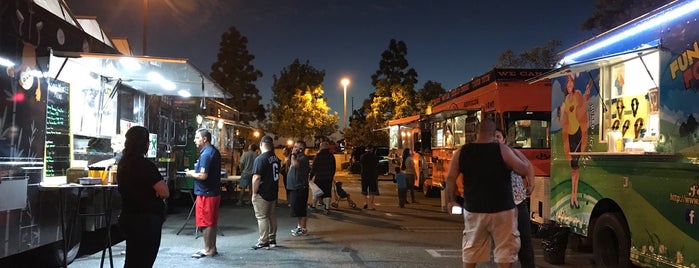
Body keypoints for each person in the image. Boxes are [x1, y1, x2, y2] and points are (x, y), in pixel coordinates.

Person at [446, 119, 531, 268]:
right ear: (494, 134)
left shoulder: (462, 152)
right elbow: (523, 169)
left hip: (474, 208)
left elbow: (450, 178)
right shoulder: (503, 150)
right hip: (502, 209)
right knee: (505, 250)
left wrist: (452, 200)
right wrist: (514, 153)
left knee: (471, 247)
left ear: (478, 132)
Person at [117, 126, 170, 267]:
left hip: (129, 217)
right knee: (144, 261)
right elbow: (164, 192)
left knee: (132, 260)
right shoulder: (145, 166)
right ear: (144, 144)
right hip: (147, 222)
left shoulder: (123, 164)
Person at [495, 128, 535, 268]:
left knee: (525, 240)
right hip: (498, 207)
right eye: (492, 137)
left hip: (518, 202)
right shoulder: (483, 156)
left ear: (504, 139)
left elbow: (528, 166)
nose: (495, 139)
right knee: (503, 243)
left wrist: (531, 184)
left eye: (498, 136)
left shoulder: (512, 152)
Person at [186, 128, 222, 258]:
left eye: (197, 138)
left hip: (206, 193)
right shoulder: (213, 151)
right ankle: (212, 247)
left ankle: (208, 249)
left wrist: (191, 173)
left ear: (204, 139)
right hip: (212, 192)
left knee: (206, 222)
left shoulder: (206, 154)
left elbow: (203, 175)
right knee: (211, 221)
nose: (195, 140)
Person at [559, 74, 591, 209]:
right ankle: (573, 197)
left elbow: (584, 101)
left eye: (571, 82)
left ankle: (574, 196)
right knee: (573, 167)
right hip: (570, 135)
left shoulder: (577, 94)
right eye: (568, 83)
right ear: (566, 86)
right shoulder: (565, 100)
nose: (570, 84)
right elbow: (561, 121)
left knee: (575, 165)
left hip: (577, 132)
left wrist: (588, 91)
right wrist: (560, 112)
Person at [251, 136, 281, 249]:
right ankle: (272, 238)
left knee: (262, 217)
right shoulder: (275, 158)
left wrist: (254, 193)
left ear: (261, 144)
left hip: (263, 192)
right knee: (272, 216)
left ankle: (263, 241)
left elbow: (256, 177)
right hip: (273, 191)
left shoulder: (260, 159)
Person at [287, 140, 311, 236]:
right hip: (295, 187)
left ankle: (303, 229)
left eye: (296, 147)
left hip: (300, 187)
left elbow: (295, 165)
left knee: (301, 209)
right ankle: (299, 226)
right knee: (297, 209)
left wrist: (293, 155)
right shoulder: (298, 158)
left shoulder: (303, 158)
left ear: (301, 149)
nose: (294, 148)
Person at [309, 141, 336, 213]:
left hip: (319, 177)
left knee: (316, 192)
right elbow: (334, 168)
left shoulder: (318, 156)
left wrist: (311, 177)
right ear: (327, 147)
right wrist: (331, 176)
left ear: (321, 147)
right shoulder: (331, 156)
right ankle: (327, 208)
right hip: (328, 178)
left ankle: (313, 206)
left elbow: (314, 167)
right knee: (328, 193)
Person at [360, 145, 379, 210]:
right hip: (372, 175)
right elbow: (376, 164)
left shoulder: (362, 157)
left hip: (364, 174)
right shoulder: (375, 157)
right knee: (372, 190)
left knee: (364, 189)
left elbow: (361, 164)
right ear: (371, 150)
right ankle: (371, 205)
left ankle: (365, 202)